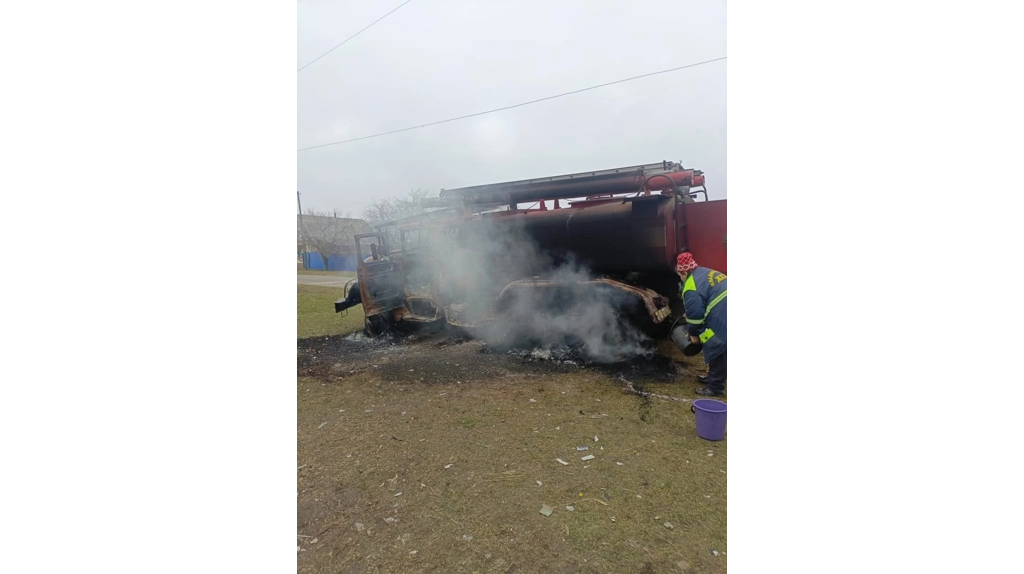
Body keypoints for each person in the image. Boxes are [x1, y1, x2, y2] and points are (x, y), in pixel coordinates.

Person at [674, 252, 727, 396]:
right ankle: (713, 378)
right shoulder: (703, 272)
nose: (681, 279)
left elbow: (696, 317)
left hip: (723, 314)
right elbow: (703, 300)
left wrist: (693, 333)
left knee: (716, 344)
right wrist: (690, 313)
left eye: (680, 276)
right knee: (723, 347)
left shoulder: (690, 284)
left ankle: (715, 388)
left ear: (684, 272)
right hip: (724, 308)